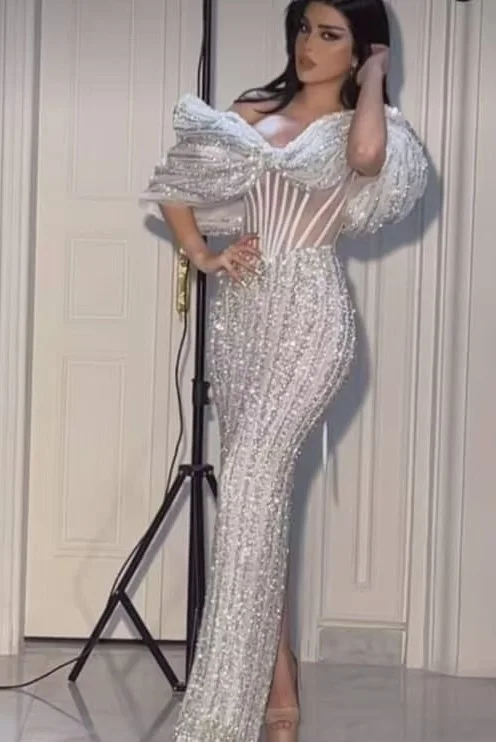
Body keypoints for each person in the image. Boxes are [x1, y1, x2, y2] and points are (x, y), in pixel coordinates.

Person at [140, 1, 428, 740]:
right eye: (304, 28)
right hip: (240, 325)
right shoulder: (251, 111)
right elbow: (175, 187)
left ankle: (223, 710)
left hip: (310, 322)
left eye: (330, 35)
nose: (308, 45)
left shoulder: (365, 125)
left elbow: (367, 159)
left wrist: (376, 76)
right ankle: (280, 684)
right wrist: (203, 255)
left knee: (246, 487)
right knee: (255, 509)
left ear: (359, 49)